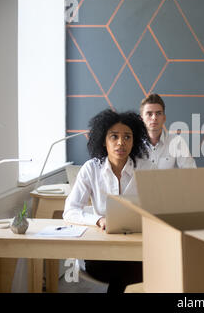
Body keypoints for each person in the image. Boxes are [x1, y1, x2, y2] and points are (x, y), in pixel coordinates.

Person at [63, 109, 149, 293]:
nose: (121, 142)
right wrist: (98, 220)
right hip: (102, 252)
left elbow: (161, 205)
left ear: (134, 141)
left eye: (127, 137)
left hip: (137, 248)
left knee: (133, 270)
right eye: (114, 137)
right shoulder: (91, 169)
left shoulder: (146, 168)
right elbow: (70, 210)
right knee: (125, 274)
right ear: (103, 140)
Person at [140, 93, 196, 169]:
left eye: (158, 113)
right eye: (149, 114)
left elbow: (191, 172)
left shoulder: (177, 142)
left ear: (164, 118)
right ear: (141, 119)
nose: (154, 118)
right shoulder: (135, 144)